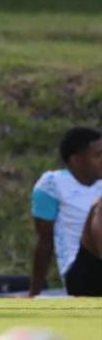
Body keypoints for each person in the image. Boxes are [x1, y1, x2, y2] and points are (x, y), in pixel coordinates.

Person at [29, 127, 102, 297]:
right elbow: (45, 241)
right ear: (76, 160)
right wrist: (34, 292)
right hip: (81, 272)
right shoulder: (53, 184)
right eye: (97, 156)